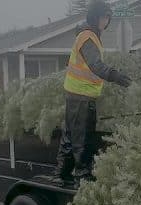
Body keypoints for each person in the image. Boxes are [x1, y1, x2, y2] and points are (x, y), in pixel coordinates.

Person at [55, 0, 132, 187]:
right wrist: (115, 75)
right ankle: (83, 177)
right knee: (83, 138)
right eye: (103, 17)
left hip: (75, 95)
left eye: (108, 18)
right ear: (95, 17)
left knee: (70, 136)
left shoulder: (88, 35)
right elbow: (95, 65)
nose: (106, 21)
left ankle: (60, 174)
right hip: (81, 96)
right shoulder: (88, 37)